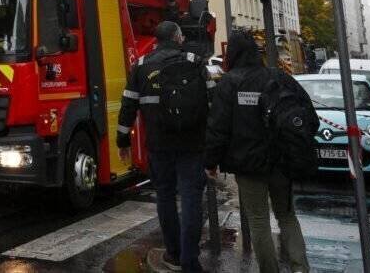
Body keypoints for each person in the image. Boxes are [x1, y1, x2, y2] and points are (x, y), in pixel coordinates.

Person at [205, 30, 309, 273]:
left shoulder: (229, 83)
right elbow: (305, 114)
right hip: (281, 161)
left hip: (248, 165)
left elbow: (218, 128)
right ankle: (301, 268)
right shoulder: (278, 78)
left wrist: (210, 161)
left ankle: (269, 270)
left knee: (258, 220)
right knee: (287, 216)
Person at [117, 21, 211, 273]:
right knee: (192, 197)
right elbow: (212, 101)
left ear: (156, 40)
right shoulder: (195, 61)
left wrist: (122, 139)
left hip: (159, 144)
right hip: (192, 142)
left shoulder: (141, 66)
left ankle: (174, 253)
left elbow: (128, 105)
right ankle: (191, 260)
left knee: (166, 197)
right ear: (178, 37)